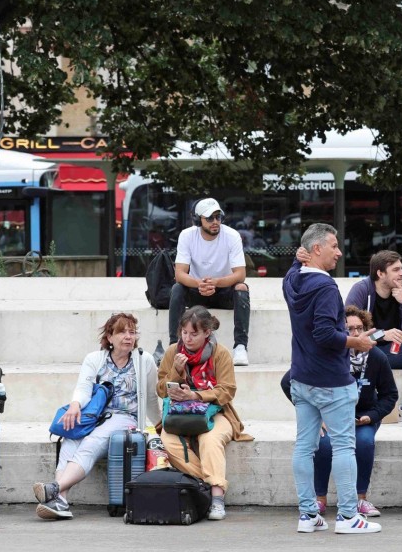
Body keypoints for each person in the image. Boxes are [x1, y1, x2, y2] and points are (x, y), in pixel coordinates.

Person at [283, 223, 382, 534]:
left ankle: (308, 515)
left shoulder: (292, 280)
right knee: (343, 447)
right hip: (330, 381)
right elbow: (325, 333)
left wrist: (296, 261)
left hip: (301, 378)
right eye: (333, 245)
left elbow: (292, 273)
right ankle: (349, 517)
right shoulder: (326, 288)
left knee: (303, 447)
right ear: (316, 250)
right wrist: (358, 342)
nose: (339, 251)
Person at [32, 313, 160, 520]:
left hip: (126, 417)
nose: (128, 336)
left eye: (132, 332)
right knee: (70, 440)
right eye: (122, 332)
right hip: (95, 415)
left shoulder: (144, 360)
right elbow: (83, 387)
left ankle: (54, 489)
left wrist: (160, 423)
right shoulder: (94, 359)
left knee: (91, 442)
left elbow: (151, 397)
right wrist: (75, 406)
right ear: (110, 337)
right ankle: (60, 500)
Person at [280, 306, 398, 518]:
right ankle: (319, 499)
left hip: (362, 418)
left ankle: (360, 499)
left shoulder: (377, 357)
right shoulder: (328, 357)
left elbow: (390, 395)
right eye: (348, 329)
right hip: (329, 417)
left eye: (359, 328)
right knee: (323, 444)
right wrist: (317, 416)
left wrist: (371, 416)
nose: (354, 334)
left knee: (363, 442)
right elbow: (289, 382)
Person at [157, 306, 253, 521]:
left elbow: (227, 390)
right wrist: (176, 371)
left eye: (194, 334)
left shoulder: (221, 353)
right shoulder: (173, 351)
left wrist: (196, 396)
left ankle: (217, 496)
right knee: (167, 439)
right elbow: (162, 389)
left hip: (216, 412)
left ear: (207, 332)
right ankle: (204, 484)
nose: (188, 339)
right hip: (180, 413)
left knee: (210, 439)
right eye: (184, 333)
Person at [344, 250, 402, 424]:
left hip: (392, 353)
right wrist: (381, 335)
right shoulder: (362, 290)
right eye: (396, 269)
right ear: (380, 273)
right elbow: (348, 329)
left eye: (401, 269)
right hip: (365, 353)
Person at [169, 198, 251, 366]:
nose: (215, 222)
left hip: (223, 291)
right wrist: (199, 284)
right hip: (197, 290)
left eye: (218, 217)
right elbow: (179, 274)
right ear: (198, 220)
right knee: (177, 288)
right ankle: (175, 344)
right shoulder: (187, 235)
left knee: (242, 287)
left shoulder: (232, 235)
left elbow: (240, 274)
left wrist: (217, 282)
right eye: (210, 218)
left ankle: (240, 346)